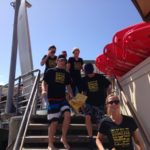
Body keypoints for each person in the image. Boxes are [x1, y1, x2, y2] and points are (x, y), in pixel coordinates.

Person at [42, 54, 73, 150]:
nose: (62, 62)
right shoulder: (50, 71)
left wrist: (72, 95)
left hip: (62, 99)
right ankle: (50, 144)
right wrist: (43, 90)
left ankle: (63, 137)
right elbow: (44, 82)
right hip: (52, 100)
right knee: (54, 122)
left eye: (64, 61)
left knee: (68, 115)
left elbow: (68, 86)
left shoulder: (66, 74)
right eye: (60, 60)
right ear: (57, 61)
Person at [82, 63, 111, 149]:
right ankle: (91, 138)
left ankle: (99, 140)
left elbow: (108, 85)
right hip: (89, 102)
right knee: (87, 117)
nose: (90, 74)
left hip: (100, 103)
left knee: (101, 121)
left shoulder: (100, 77)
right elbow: (83, 92)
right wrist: (82, 104)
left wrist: (108, 97)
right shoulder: (84, 79)